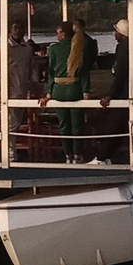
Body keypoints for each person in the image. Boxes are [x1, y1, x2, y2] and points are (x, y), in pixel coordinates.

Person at [90, 19, 133, 165]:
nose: (115, 34)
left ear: (122, 33)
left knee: (113, 124)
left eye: (117, 31)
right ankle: (107, 156)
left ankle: (102, 157)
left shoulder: (124, 47)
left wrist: (110, 95)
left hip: (128, 91)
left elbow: (121, 73)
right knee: (121, 126)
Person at [0, 19, 33, 160]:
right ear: (10, 30)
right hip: (7, 92)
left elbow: (32, 70)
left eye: (20, 28)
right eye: (15, 28)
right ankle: (9, 154)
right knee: (11, 123)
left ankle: (13, 149)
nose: (18, 31)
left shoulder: (27, 49)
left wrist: (34, 86)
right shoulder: (2, 48)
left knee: (16, 123)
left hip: (22, 91)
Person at [39, 21, 87, 164]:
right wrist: (86, 91)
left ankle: (68, 155)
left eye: (58, 32)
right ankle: (78, 155)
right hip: (75, 90)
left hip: (58, 91)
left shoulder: (53, 49)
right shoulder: (79, 48)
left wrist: (49, 93)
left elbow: (51, 72)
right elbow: (84, 73)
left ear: (63, 33)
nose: (56, 35)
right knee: (77, 125)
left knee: (64, 125)